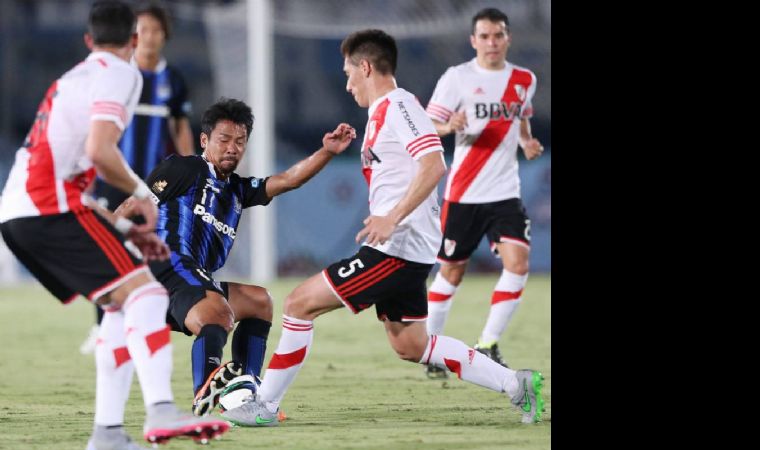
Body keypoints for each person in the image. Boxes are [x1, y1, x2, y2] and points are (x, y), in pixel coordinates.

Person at [220, 29, 544, 427]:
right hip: (404, 248)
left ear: (366, 67)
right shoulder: (382, 113)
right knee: (411, 344)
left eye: (348, 73)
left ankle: (265, 405)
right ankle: (516, 384)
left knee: (298, 304)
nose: (347, 84)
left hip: (397, 248)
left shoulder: (399, 105)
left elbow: (434, 165)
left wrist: (392, 217)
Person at [0, 2, 229, 449]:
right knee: (148, 294)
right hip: (48, 208)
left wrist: (123, 229)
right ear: (133, 40)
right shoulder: (123, 72)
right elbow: (100, 151)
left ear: (88, 40)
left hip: (22, 211)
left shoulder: (72, 78)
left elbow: (67, 166)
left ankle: (107, 434)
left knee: (120, 305)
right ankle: (161, 410)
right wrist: (143, 196)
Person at [114, 98, 356, 416]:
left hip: (190, 279)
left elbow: (289, 180)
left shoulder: (238, 190)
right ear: (205, 140)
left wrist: (327, 151)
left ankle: (246, 395)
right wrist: (107, 258)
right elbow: (130, 206)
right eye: (224, 139)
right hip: (165, 266)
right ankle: (205, 393)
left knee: (258, 301)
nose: (232, 148)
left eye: (240, 141)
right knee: (219, 313)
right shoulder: (183, 168)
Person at [423, 8, 546, 377]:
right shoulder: (457, 77)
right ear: (473, 40)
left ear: (508, 38)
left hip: (505, 193)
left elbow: (521, 118)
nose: (492, 42)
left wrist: (526, 142)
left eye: (498, 35)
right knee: (451, 274)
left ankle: (487, 344)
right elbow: (428, 123)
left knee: (518, 265)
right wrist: (449, 125)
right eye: (485, 36)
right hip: (463, 194)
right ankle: (431, 350)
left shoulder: (524, 79)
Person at [82, 1, 196, 355]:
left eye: (156, 30)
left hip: (155, 185)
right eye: (143, 30)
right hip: (112, 178)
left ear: (165, 36)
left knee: (155, 249)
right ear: (133, 35)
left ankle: (150, 323)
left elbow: (180, 128)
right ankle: (102, 326)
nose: (149, 37)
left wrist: (192, 169)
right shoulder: (117, 76)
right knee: (106, 247)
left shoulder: (172, 80)